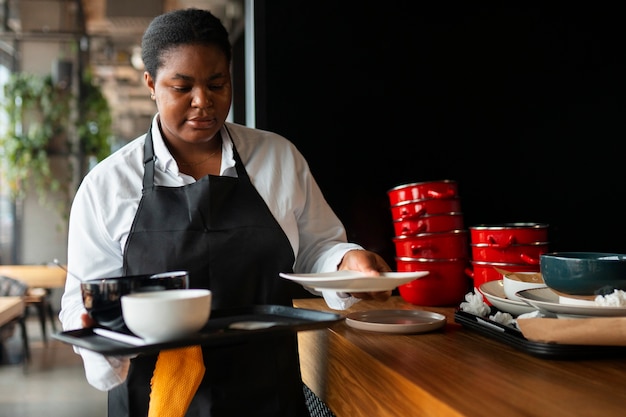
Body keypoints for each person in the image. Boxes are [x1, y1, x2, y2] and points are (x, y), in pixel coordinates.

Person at [59, 7, 391, 417]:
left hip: (267, 394)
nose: (204, 102)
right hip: (155, 399)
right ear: (151, 84)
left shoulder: (278, 158)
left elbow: (316, 248)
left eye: (217, 84)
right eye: (182, 88)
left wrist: (347, 261)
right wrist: (97, 332)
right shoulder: (107, 185)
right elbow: (82, 301)